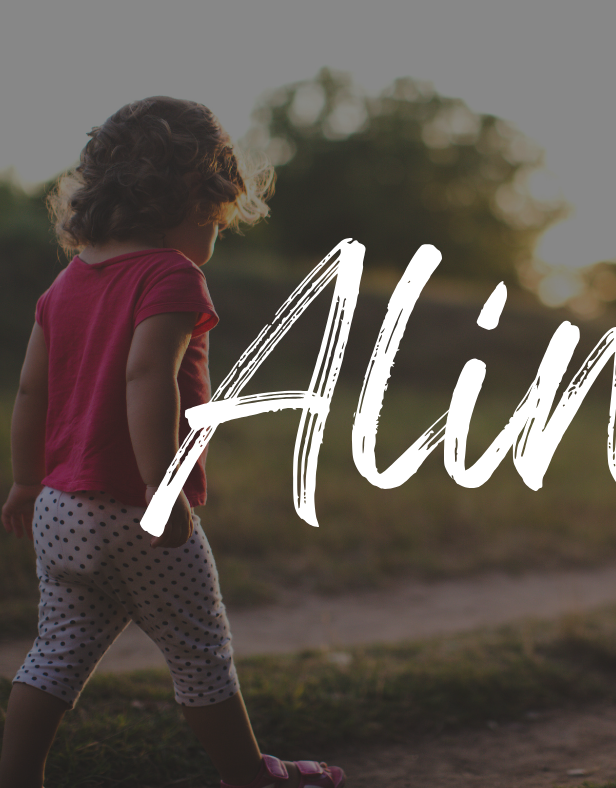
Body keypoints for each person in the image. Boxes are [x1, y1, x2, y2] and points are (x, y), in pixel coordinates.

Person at [0, 97, 345, 788]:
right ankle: (250, 777)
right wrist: (164, 488)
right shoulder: (172, 275)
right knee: (200, 652)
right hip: (135, 507)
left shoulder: (65, 284)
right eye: (218, 221)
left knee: (57, 652)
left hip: (60, 509)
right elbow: (146, 373)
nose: (216, 235)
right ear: (195, 199)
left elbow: (31, 392)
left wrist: (26, 481)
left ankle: (17, 776)